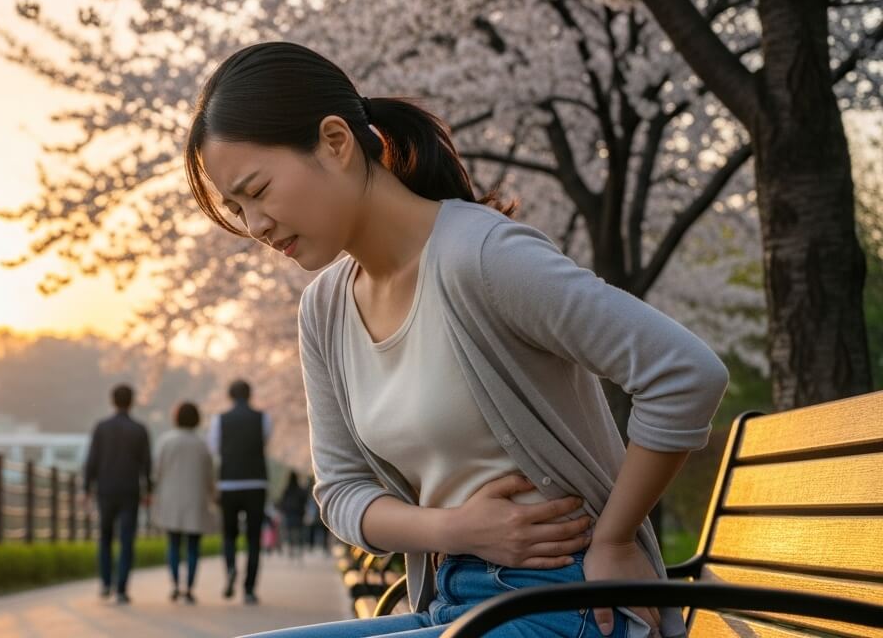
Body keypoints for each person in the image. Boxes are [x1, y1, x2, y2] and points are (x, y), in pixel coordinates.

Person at [183, 41, 728, 638]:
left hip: (568, 601)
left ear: (335, 142)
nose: (255, 227)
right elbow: (340, 492)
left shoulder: (482, 257)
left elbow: (684, 372)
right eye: (237, 209)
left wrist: (616, 539)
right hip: (452, 600)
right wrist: (457, 530)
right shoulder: (325, 308)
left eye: (257, 191)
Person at [82, 383, 152, 605]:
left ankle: (105, 582)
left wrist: (86, 488)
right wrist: (148, 489)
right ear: (131, 402)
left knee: (105, 537)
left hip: (106, 488)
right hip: (130, 489)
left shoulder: (101, 427)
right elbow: (146, 464)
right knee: (127, 539)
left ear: (113, 401)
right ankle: (121, 588)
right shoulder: (139, 429)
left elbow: (92, 460)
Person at [208, 378, 272, 605]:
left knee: (229, 534)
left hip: (229, 482)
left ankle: (231, 569)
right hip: (256, 482)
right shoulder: (262, 418)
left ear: (230, 396)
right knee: (254, 538)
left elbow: (215, 449)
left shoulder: (219, 420)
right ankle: (249, 589)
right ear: (250, 394)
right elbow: (263, 442)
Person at [153, 401, 216, 604]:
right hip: (195, 500)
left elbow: (157, 472)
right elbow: (210, 476)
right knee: (192, 547)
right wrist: (213, 497)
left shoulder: (165, 441)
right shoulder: (201, 444)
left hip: (171, 499)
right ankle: (188, 589)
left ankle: (174, 585)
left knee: (173, 544)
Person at [278, 470, 309, 558]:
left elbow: (281, 502)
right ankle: (299, 551)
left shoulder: (286, 489)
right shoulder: (300, 489)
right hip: (298, 514)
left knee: (290, 533)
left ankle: (291, 551)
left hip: (289, 514)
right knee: (298, 533)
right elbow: (305, 500)